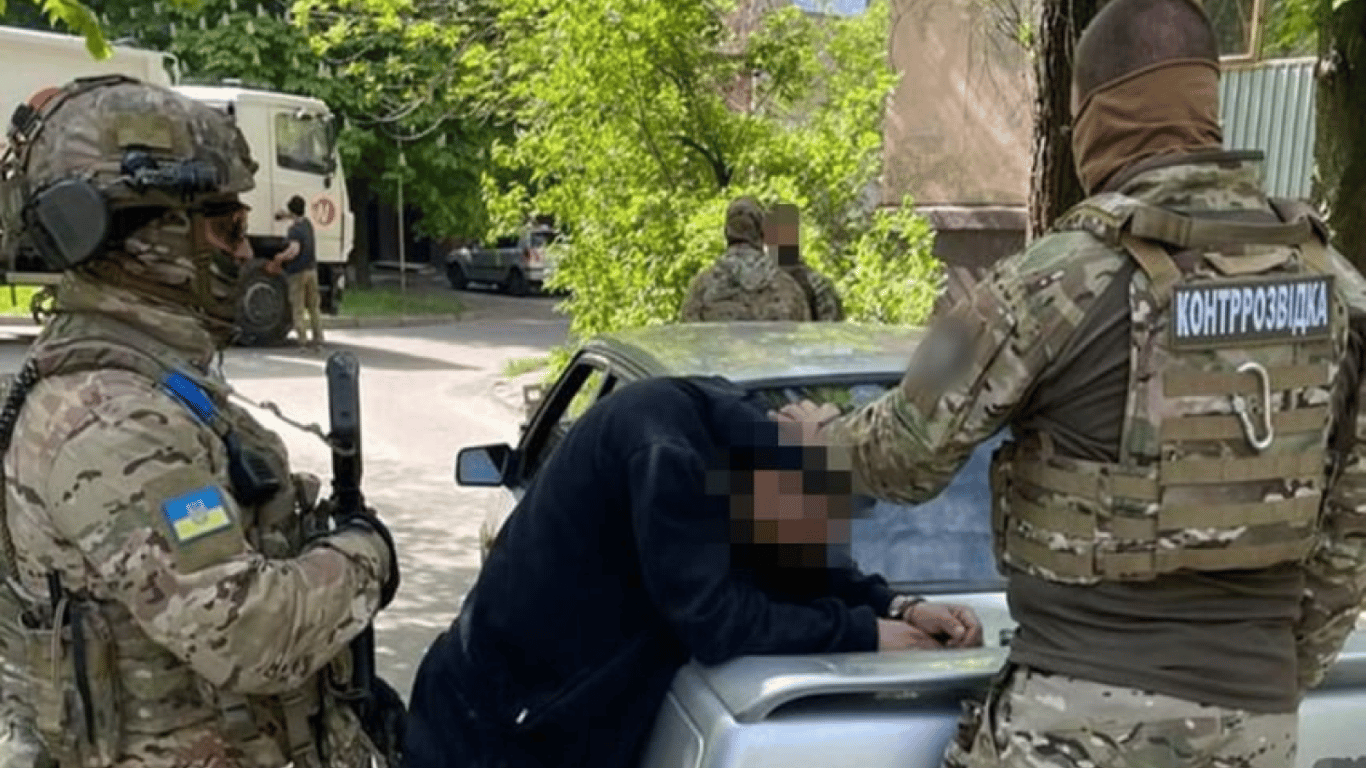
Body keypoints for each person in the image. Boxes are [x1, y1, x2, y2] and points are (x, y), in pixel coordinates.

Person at [775, 1, 1366, 765]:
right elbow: (1350, 538)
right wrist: (1258, 683)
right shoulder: (1340, 292)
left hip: (1073, 723)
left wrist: (818, 440)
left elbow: (905, 454)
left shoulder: (1053, 279)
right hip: (1255, 725)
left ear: (1097, 116)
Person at [0, 76, 401, 768]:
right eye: (227, 228)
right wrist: (366, 556)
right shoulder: (113, 418)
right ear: (146, 238)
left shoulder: (142, 373)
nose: (243, 254)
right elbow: (247, 632)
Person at [403, 376, 984, 768]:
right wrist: (864, 633)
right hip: (491, 731)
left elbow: (791, 558)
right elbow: (715, 619)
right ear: (786, 473)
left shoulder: (745, 451)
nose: (827, 536)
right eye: (823, 511)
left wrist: (899, 607)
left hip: (556, 721)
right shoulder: (664, 452)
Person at [680, 197, 812, 322]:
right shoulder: (789, 288)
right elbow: (804, 333)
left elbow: (688, 332)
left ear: (727, 232)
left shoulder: (701, 288)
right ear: (762, 233)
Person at [274, 194, 324, 350]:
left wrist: (280, 257)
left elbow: (294, 250)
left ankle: (302, 341)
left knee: (298, 308)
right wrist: (284, 215)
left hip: (297, 272)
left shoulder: (293, 230)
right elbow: (296, 216)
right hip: (312, 271)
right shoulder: (307, 224)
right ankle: (318, 339)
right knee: (314, 308)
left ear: (291, 210)